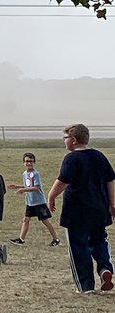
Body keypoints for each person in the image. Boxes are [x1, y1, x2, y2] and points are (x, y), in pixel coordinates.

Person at [47, 124, 115, 294]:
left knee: (78, 246)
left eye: (65, 138)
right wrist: (112, 203)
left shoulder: (72, 159)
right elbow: (110, 180)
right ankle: (105, 269)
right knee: (99, 241)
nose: (64, 141)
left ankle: (86, 286)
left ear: (74, 140)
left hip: (76, 212)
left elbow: (62, 182)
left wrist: (51, 196)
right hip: (99, 209)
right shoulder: (99, 156)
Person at [8, 152, 60, 246]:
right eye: (27, 161)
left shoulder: (35, 174)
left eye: (31, 161)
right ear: (23, 162)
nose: (29, 163)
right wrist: (17, 186)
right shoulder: (24, 174)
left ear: (34, 162)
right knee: (26, 220)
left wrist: (23, 190)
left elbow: (36, 187)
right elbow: (28, 185)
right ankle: (21, 239)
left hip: (39, 202)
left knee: (45, 221)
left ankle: (56, 239)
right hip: (30, 202)